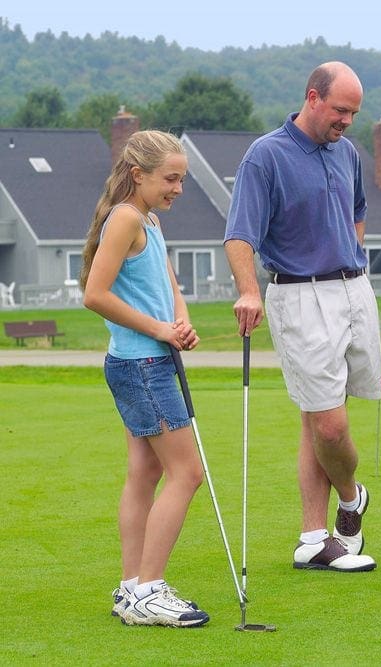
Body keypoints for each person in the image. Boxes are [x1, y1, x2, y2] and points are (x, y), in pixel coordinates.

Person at [224, 61, 381, 573]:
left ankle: (315, 539)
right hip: (299, 295)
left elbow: (358, 211)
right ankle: (352, 497)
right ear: (312, 97)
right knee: (330, 427)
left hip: (354, 291)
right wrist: (248, 291)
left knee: (316, 418)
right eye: (341, 110)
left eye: (354, 113)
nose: (347, 123)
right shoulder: (265, 157)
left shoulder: (348, 153)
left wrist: (350, 257)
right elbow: (240, 235)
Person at [80, 129, 210, 627]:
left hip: (148, 359)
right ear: (139, 175)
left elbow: (169, 285)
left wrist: (180, 321)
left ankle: (132, 587)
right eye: (170, 179)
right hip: (141, 365)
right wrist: (158, 329)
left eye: (182, 179)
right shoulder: (126, 218)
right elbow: (95, 295)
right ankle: (149, 591)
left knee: (146, 473)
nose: (178, 188)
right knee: (187, 473)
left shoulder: (148, 219)